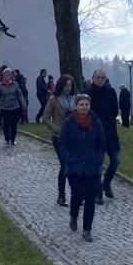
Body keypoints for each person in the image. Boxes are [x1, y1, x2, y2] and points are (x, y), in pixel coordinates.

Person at [60, 94, 105, 241]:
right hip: (75, 166)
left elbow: (101, 143)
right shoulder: (69, 123)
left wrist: (99, 159)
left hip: (92, 166)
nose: (84, 107)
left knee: (90, 199)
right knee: (77, 195)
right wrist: (68, 158)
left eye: (86, 104)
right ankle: (73, 215)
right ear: (76, 106)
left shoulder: (96, 122)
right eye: (81, 104)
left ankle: (87, 229)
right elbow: (63, 142)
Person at [43, 74, 79, 206]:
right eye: (66, 85)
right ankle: (61, 196)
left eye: (70, 85)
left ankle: (76, 194)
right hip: (59, 137)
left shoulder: (75, 99)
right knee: (65, 165)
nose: (68, 88)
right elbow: (45, 117)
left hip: (73, 137)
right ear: (61, 86)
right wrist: (56, 128)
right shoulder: (54, 99)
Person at [85, 69, 121, 204]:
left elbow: (115, 110)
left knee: (116, 160)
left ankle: (106, 183)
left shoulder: (110, 92)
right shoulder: (87, 93)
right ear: (93, 78)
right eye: (98, 77)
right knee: (97, 165)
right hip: (94, 133)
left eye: (102, 78)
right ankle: (98, 193)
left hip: (110, 132)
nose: (100, 80)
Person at [0, 69, 27, 144]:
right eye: (5, 75)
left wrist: (23, 104)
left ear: (10, 76)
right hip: (4, 107)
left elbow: (19, 94)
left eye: (8, 75)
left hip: (14, 106)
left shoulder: (15, 84)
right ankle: (7, 138)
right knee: (6, 123)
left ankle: (13, 139)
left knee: (14, 124)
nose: (6, 77)